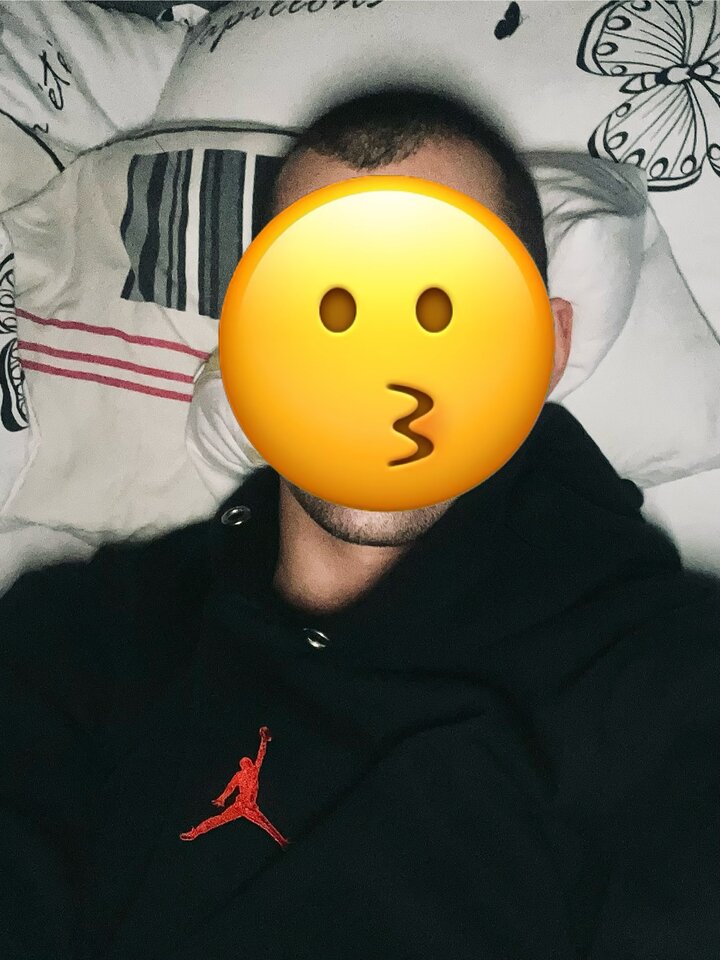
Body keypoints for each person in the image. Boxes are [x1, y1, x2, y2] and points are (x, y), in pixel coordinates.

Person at [2, 86, 720, 960]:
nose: (384, 371)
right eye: (330, 311)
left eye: (441, 311)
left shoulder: (667, 680)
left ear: (547, 347)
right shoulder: (80, 638)